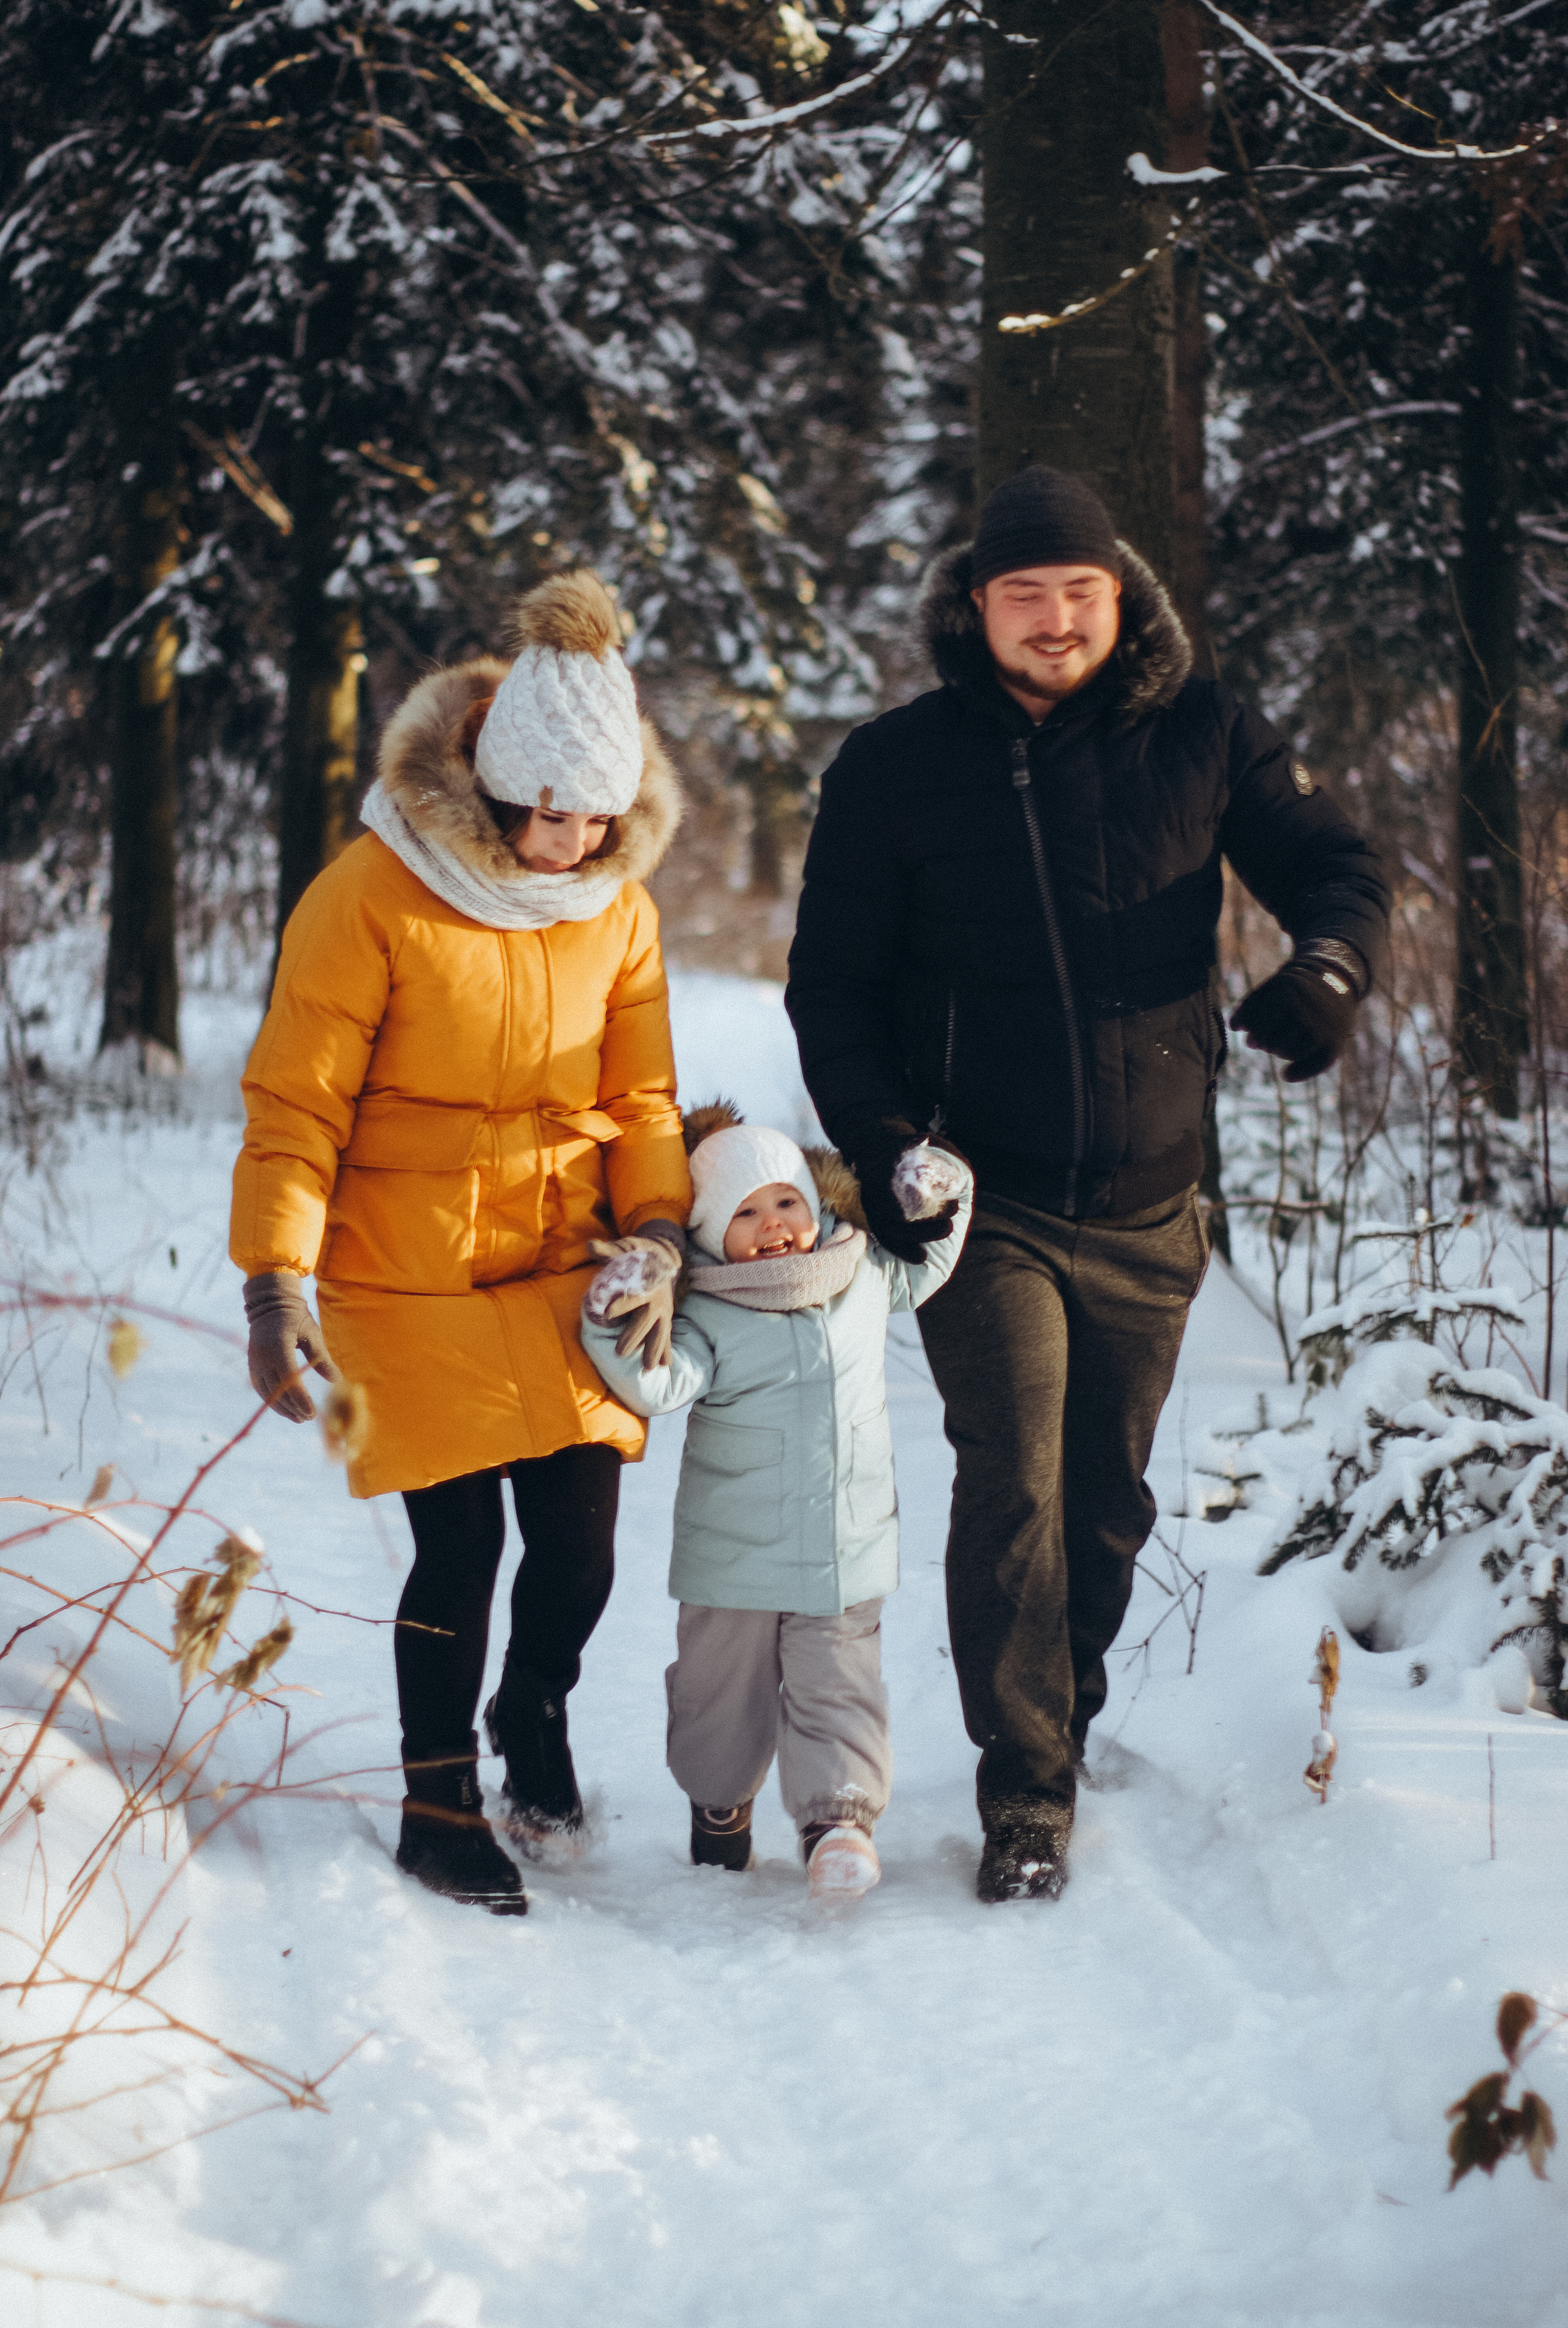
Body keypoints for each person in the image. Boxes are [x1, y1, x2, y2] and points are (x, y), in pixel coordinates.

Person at [785, 466, 1389, 1903]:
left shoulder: (1202, 733)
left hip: (1149, 1201)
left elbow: (1335, 864)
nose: (1054, 619)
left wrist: (1328, 968)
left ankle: (1057, 1707)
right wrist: (883, 1144)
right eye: (1024, 594)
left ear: (1119, 596)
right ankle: (1025, 1795)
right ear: (974, 604)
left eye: (1079, 591)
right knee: (1013, 1483)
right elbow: (831, 987)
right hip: (975, 1198)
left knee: (1103, 1500)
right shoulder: (893, 765)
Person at [230, 570, 692, 1918]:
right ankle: (437, 1807)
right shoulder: (371, 894)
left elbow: (642, 1102)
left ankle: (530, 1709)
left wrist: (660, 1233)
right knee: (461, 1549)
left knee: (581, 1546)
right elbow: (297, 1104)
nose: (573, 842)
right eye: (551, 813)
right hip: (404, 1268)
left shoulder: (618, 907)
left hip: (559, 1267)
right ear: (493, 788)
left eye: (599, 818)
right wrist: (275, 1280)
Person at [579, 1105, 972, 1899]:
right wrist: (610, 1315)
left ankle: (838, 1824)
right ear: (707, 1233)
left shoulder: (863, 1269)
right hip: (734, 1557)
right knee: (720, 1700)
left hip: (846, 1542)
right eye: (746, 1214)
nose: (773, 1226)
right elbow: (657, 1382)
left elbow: (931, 1255)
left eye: (786, 1202)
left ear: (815, 1202)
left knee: (839, 1683)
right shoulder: (706, 1311)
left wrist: (943, 1185)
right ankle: (720, 1806)